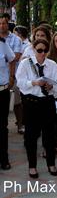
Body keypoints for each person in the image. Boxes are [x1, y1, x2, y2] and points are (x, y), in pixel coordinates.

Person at [16, 39, 57, 178]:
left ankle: (51, 164)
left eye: (44, 51)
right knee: (31, 136)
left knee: (49, 135)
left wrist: (52, 87)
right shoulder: (26, 63)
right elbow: (20, 82)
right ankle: (32, 166)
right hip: (31, 103)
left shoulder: (52, 64)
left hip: (47, 102)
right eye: (39, 50)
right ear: (34, 49)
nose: (42, 53)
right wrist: (34, 82)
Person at [0, 14, 24, 134]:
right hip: (2, 78)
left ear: (7, 23)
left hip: (13, 75)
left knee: (17, 102)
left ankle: (20, 125)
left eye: (3, 23)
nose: (1, 26)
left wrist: (11, 77)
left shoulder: (16, 39)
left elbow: (15, 57)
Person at [0, 36, 15, 170]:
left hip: (2, 91)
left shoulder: (2, 44)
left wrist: (11, 76)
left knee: (2, 126)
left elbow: (12, 59)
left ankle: (4, 158)